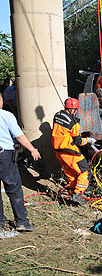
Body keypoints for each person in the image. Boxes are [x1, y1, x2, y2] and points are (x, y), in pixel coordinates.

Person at [0, 92, 40, 232]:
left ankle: (0, 223)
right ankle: (21, 222)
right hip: (4, 155)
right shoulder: (6, 116)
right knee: (14, 187)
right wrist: (32, 150)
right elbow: (19, 136)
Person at [52, 98, 95, 205]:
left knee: (71, 173)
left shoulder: (57, 115)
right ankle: (78, 194)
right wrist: (88, 140)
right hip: (70, 151)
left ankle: (71, 194)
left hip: (58, 151)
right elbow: (78, 141)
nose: (76, 112)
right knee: (84, 171)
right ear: (72, 110)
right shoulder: (74, 123)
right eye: (76, 110)